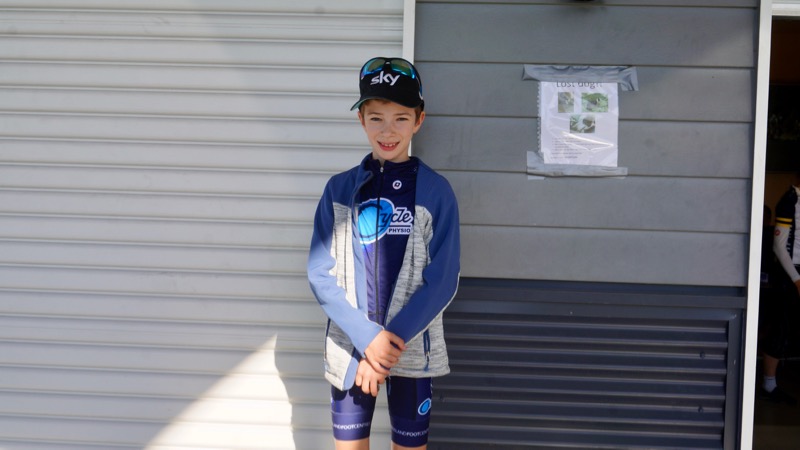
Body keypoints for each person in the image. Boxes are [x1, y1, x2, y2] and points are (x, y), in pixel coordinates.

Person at [307, 57, 461, 450]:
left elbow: (443, 279)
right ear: (361, 119)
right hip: (351, 349)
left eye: (400, 118)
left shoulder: (436, 192)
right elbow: (319, 273)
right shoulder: (339, 189)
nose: (388, 130)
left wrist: (388, 343)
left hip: (410, 351)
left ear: (419, 120)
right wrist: (367, 339)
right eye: (376, 118)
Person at [763, 184, 800, 404]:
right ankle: (768, 385)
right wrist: (797, 279)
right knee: (782, 329)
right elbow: (778, 246)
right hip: (790, 274)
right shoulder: (790, 199)